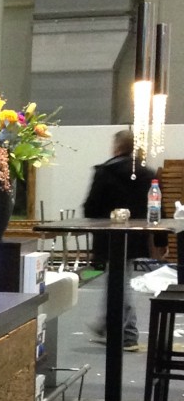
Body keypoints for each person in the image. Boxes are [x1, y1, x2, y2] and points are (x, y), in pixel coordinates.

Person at [82, 128, 153, 349]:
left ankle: (128, 333)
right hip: (137, 235)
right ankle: (106, 324)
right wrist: (159, 241)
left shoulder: (105, 172)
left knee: (120, 283)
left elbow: (91, 207)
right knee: (118, 279)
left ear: (117, 147)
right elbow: (155, 208)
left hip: (110, 235)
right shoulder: (147, 173)